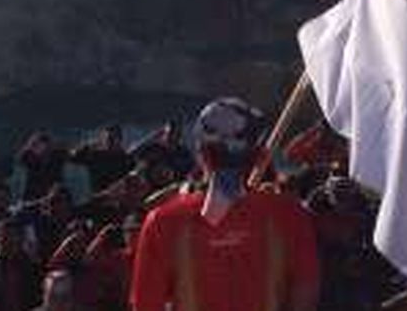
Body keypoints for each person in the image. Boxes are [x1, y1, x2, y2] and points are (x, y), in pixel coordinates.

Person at [130, 97, 320, 311]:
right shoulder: (290, 215)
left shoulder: (162, 221)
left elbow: (146, 304)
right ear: (260, 156)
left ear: (202, 155)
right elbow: (306, 293)